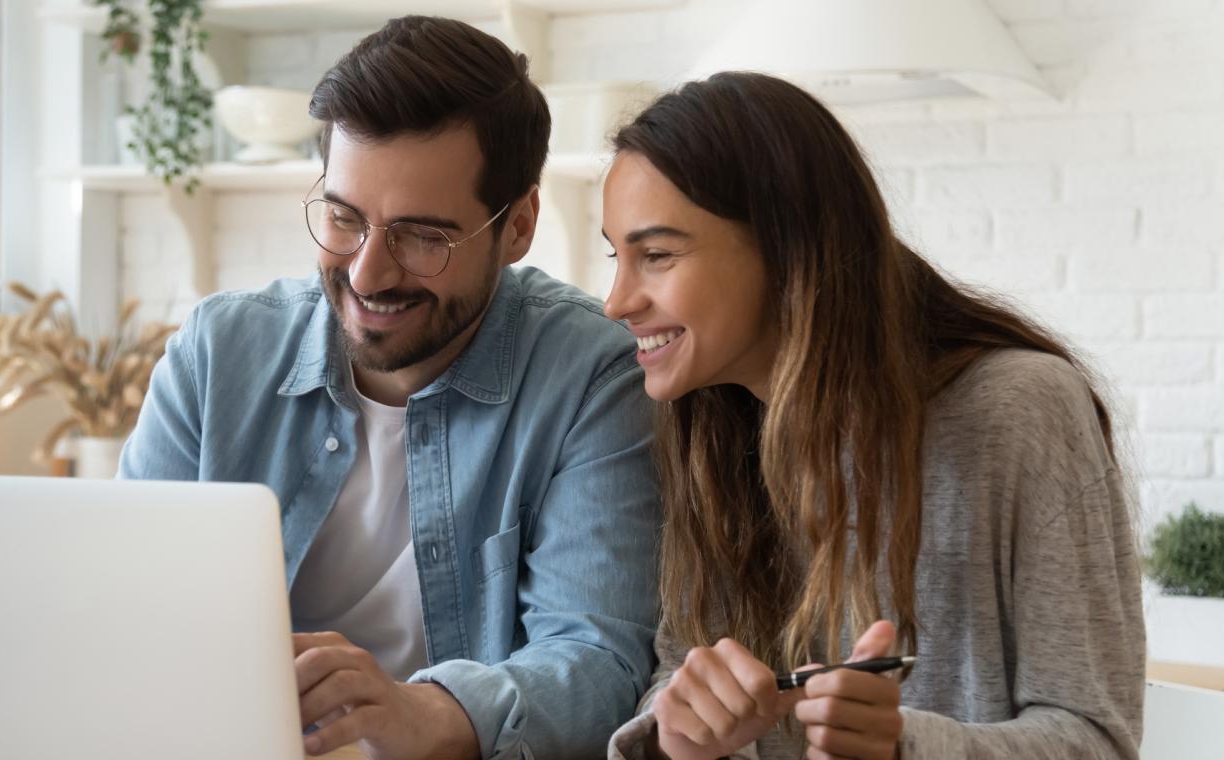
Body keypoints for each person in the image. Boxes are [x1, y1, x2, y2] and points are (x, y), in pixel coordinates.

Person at [119, 16, 661, 760]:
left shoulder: (590, 375)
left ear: (519, 226)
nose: (368, 273)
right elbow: (121, 607)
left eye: (422, 236)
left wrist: (422, 713)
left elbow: (600, 665)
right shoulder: (216, 354)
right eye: (344, 219)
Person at [600, 72, 1144, 760]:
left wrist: (901, 747)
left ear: (786, 247)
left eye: (656, 255)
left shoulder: (1020, 410)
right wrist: (677, 734)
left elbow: (1097, 739)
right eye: (615, 255)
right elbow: (679, 670)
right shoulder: (706, 426)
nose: (616, 300)